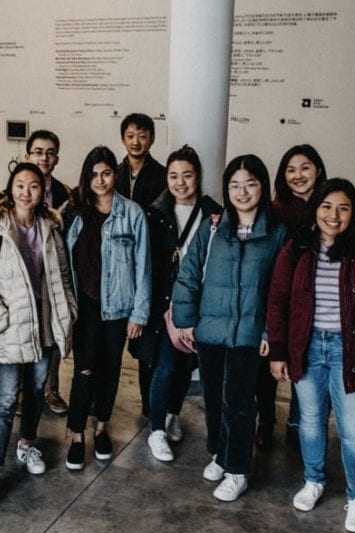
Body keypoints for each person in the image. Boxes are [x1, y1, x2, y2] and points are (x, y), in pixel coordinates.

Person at [267, 179, 355, 533]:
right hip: (306, 348)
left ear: (353, 212)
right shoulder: (298, 247)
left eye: (343, 207)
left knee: (354, 431)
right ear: (316, 209)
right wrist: (278, 351)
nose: (334, 215)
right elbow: (278, 301)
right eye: (326, 206)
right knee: (310, 420)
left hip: (350, 351)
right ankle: (314, 481)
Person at [172, 154, 287, 502]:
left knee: (239, 402)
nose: (242, 191)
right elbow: (189, 273)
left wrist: (270, 333)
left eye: (250, 183)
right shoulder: (212, 228)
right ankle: (220, 455)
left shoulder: (277, 234)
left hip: (249, 336)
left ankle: (238, 469)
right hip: (211, 332)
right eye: (235, 185)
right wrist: (186, 320)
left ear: (262, 187)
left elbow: (281, 292)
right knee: (213, 399)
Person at [0, 163, 77, 511]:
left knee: (35, 392)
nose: (26, 192)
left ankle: (26, 443)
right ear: (10, 190)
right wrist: (1, 319)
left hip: (43, 328)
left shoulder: (51, 227)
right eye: (19, 185)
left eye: (33, 186)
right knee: (3, 402)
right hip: (11, 330)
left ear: (43, 190)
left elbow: (62, 274)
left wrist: (68, 311)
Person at [127, 146, 222, 462]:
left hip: (201, 305)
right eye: (173, 175)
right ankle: (156, 431)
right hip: (166, 302)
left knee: (185, 366)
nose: (180, 182)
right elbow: (144, 261)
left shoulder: (215, 213)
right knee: (165, 366)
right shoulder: (155, 212)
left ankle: (171, 414)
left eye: (187, 175)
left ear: (198, 177)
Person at [64, 145, 151, 471]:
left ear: (115, 174)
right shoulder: (74, 212)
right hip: (84, 308)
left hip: (118, 309)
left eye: (106, 173)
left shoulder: (132, 213)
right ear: (86, 177)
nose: (100, 180)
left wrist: (138, 314)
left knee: (110, 371)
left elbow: (143, 267)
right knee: (84, 371)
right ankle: (75, 434)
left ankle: (101, 427)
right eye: (94, 174)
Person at [264, 145, 329, 449]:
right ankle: (267, 421)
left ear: (317, 169)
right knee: (273, 364)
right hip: (281, 299)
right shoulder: (276, 211)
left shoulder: (329, 206)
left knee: (309, 366)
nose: (298, 175)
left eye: (304, 167)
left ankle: (298, 422)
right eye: (290, 169)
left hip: (320, 302)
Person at [114, 113, 165, 417]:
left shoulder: (161, 175)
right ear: (123, 138)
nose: (136, 141)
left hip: (149, 263)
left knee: (147, 346)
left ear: (152, 139)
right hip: (116, 267)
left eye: (143, 135)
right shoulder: (114, 173)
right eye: (131, 135)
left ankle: (149, 404)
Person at [25, 129, 72, 415]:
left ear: (56, 158)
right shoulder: (15, 189)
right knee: (23, 334)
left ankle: (50, 390)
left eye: (50, 152)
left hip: (51, 275)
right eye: (39, 151)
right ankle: (22, 392)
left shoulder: (66, 194)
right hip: (21, 276)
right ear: (28, 155)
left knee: (52, 337)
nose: (44, 157)